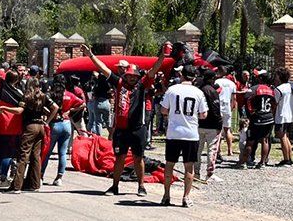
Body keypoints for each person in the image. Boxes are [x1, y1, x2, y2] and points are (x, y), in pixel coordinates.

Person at [82, 44, 167, 197]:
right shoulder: (119, 83)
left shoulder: (142, 85)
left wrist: (162, 56)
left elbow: (154, 69)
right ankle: (115, 186)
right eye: (129, 75)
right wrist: (91, 55)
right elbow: (103, 69)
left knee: (138, 158)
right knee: (119, 158)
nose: (132, 78)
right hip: (121, 129)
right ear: (125, 75)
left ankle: (141, 186)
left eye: (134, 76)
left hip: (138, 129)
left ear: (138, 76)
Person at [160, 66, 207, 207]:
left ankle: (166, 195)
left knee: (169, 164)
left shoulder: (172, 90)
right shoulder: (198, 92)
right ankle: (186, 197)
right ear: (194, 77)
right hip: (190, 133)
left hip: (174, 132)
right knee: (189, 166)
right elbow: (203, 114)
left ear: (181, 75)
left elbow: (163, 110)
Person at [9, 83, 56, 193]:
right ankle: (34, 184)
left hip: (30, 126)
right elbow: (55, 108)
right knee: (36, 156)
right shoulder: (43, 96)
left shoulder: (27, 96)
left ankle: (17, 186)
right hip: (40, 126)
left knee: (23, 155)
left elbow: (20, 110)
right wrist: (47, 121)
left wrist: (5, 108)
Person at [42, 76, 82, 186]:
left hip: (54, 123)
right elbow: (82, 103)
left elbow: (43, 105)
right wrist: (70, 110)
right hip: (66, 124)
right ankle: (59, 178)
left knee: (47, 152)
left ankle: (40, 175)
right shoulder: (69, 94)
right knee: (63, 153)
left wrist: (48, 115)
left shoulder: (51, 94)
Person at [0, 71, 24, 187]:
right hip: (13, 125)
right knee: (8, 153)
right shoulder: (19, 93)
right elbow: (20, 110)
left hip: (0, 124)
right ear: (17, 80)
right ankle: (3, 177)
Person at [244, 74, 276, 168]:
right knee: (265, 140)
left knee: (250, 140)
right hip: (269, 117)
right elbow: (274, 103)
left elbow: (247, 99)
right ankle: (262, 162)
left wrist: (251, 113)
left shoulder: (255, 89)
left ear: (260, 79)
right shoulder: (271, 90)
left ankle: (244, 162)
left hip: (257, 117)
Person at [197, 70, 223, 181]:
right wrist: (219, 123)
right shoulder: (212, 91)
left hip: (199, 123)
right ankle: (210, 174)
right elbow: (216, 109)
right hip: (212, 124)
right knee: (212, 149)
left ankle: (195, 173)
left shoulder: (199, 90)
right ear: (212, 79)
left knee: (197, 150)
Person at [273, 68, 293, 166]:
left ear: (280, 77)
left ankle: (286, 159)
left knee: (282, 137)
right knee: (286, 137)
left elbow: (275, 103)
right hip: (290, 115)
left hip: (281, 115)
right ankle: (289, 158)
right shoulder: (291, 86)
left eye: (276, 76)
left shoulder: (278, 89)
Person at [214, 71, 238, 162]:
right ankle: (230, 150)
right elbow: (234, 98)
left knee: (218, 130)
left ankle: (218, 150)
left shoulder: (217, 82)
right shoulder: (232, 84)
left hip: (218, 106)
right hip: (227, 106)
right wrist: (231, 108)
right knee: (227, 129)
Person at [88, 69, 112, 136]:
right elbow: (110, 91)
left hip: (98, 102)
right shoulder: (107, 83)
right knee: (108, 121)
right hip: (106, 102)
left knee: (98, 122)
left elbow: (93, 93)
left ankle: (99, 137)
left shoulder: (97, 84)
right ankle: (111, 134)